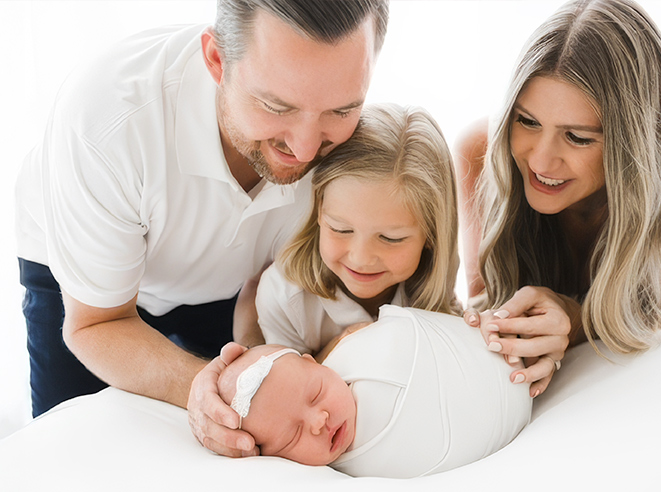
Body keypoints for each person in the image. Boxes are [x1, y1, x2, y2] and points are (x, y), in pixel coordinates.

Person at [14, 0, 389, 459]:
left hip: (232, 282)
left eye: (340, 110)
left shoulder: (352, 145)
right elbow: (95, 324)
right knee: (68, 456)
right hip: (86, 295)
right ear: (216, 59)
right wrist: (201, 386)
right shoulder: (107, 125)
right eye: (276, 106)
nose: (307, 148)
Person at [455, 0, 661, 398]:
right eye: (527, 121)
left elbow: (645, 320)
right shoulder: (480, 150)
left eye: (577, 137)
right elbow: (488, 309)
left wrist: (571, 318)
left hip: (655, 325)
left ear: (631, 143)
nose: (541, 160)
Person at [237, 103, 461, 356]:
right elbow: (283, 389)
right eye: (341, 230)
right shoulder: (284, 297)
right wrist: (338, 351)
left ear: (431, 234)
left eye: (391, 238)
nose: (360, 258)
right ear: (319, 211)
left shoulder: (434, 298)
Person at [217, 306, 532, 478]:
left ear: (319, 364)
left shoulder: (355, 354)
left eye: (316, 393)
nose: (318, 422)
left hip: (504, 367)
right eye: (293, 436)